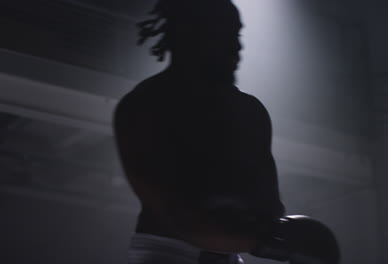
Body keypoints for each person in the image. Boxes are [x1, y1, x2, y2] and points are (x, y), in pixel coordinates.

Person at [113, 0, 285, 263]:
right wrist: (268, 239)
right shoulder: (144, 106)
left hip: (228, 252)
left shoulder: (250, 111)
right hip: (166, 253)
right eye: (224, 33)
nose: (237, 46)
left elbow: (271, 208)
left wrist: (270, 234)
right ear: (189, 33)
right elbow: (180, 217)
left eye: (236, 33)